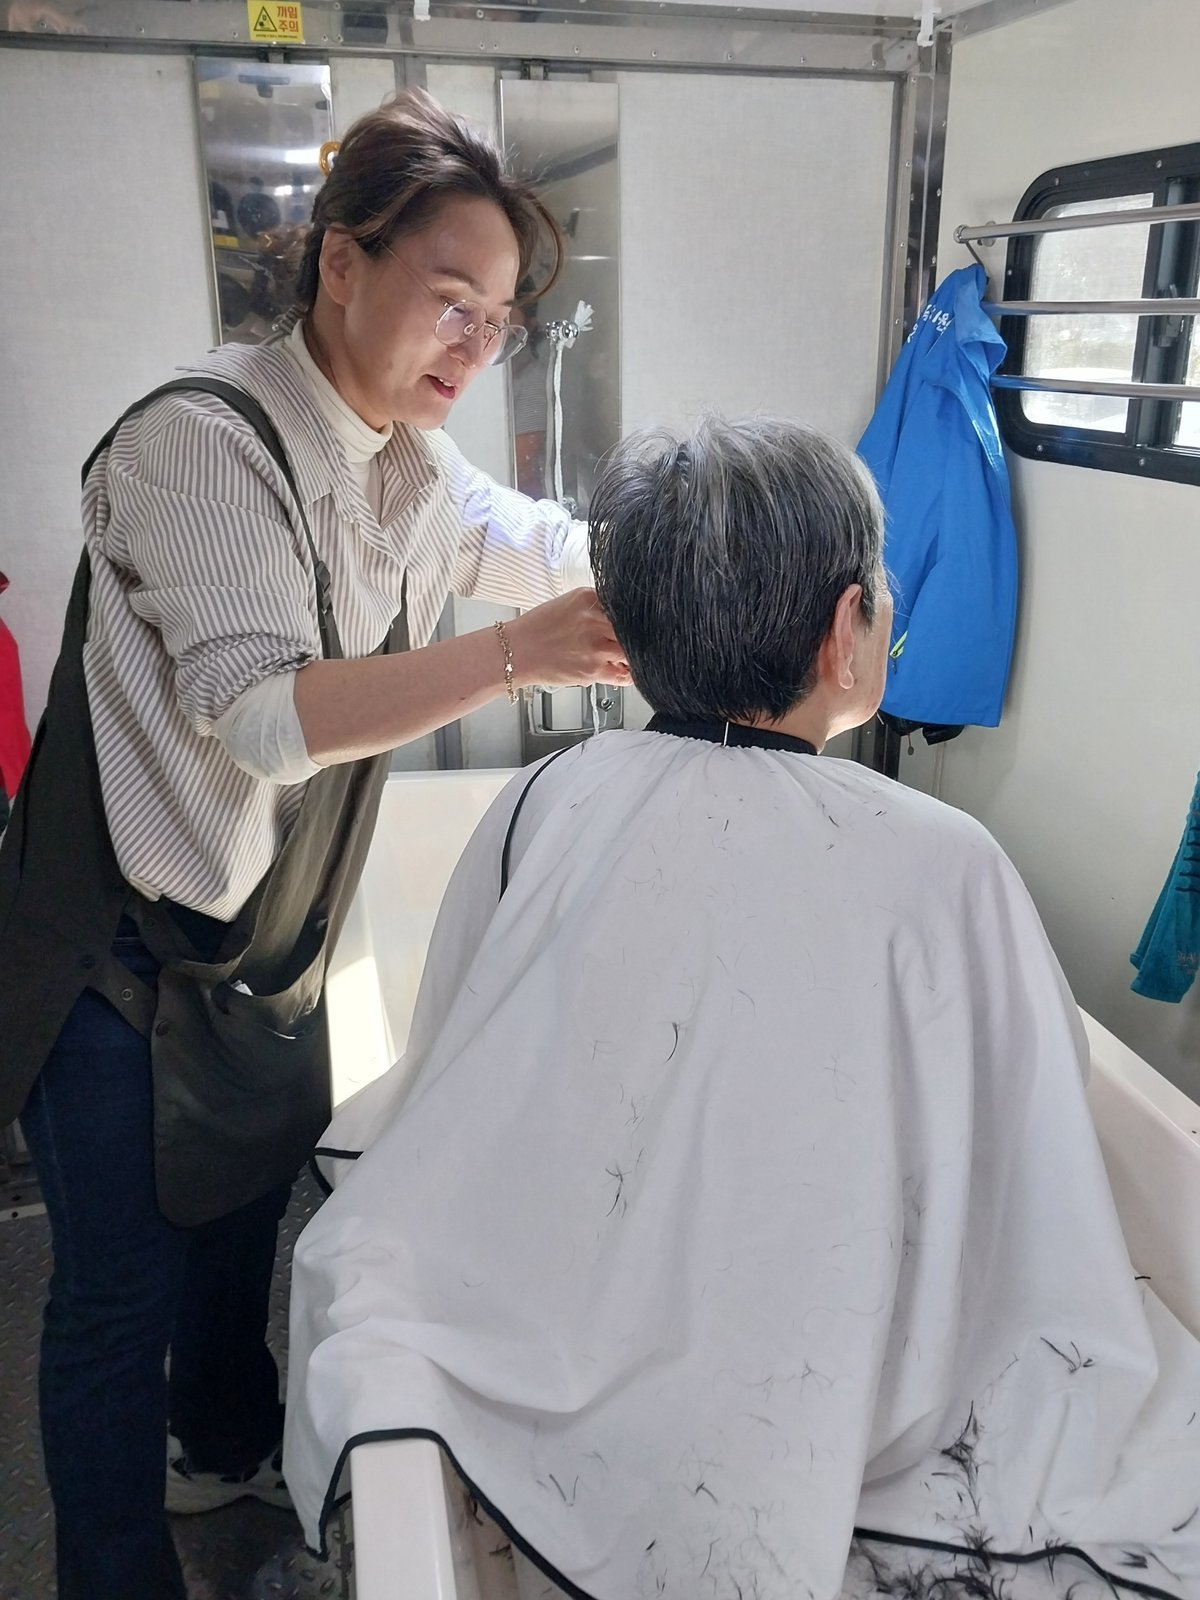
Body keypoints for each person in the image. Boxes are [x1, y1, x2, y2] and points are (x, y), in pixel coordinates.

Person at [286, 417, 1200, 1600]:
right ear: (846, 628)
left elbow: (461, 1065)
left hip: (549, 1313)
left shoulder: (544, 799)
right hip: (834, 1349)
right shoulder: (945, 858)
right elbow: (1026, 1169)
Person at [0, 89, 629, 1600]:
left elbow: (535, 543)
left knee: (240, 1229)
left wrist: (684, 558)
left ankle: (220, 1449)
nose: (473, 348)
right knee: (115, 1299)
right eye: (450, 301)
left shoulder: (408, 461)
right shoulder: (195, 443)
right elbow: (269, 717)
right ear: (341, 263)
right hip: (118, 960)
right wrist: (517, 657)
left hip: (259, 952)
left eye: (497, 323)